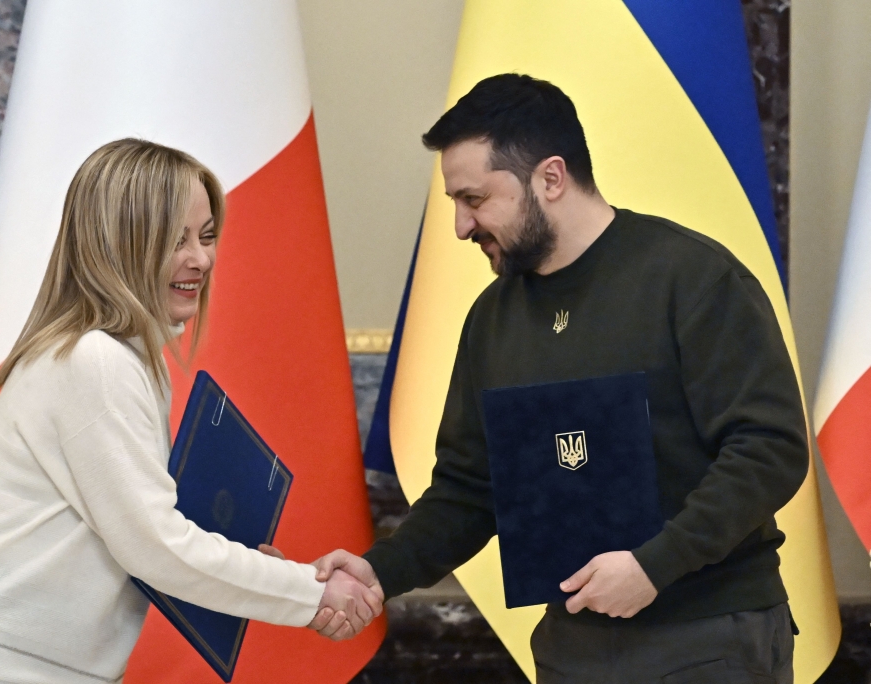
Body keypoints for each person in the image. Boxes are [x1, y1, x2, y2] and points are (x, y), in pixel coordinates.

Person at [316, 74, 807, 682]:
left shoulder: (692, 279)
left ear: (550, 178)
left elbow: (769, 449)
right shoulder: (492, 319)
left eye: (474, 199)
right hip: (570, 642)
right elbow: (469, 490)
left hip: (707, 636)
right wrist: (379, 570)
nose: (462, 226)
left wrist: (654, 566)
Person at [0, 139, 381, 684]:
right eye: (175, 239)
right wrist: (310, 593)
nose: (202, 259)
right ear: (119, 243)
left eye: (206, 236)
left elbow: (143, 530)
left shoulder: (119, 357)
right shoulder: (94, 360)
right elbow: (155, 546)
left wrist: (268, 574)